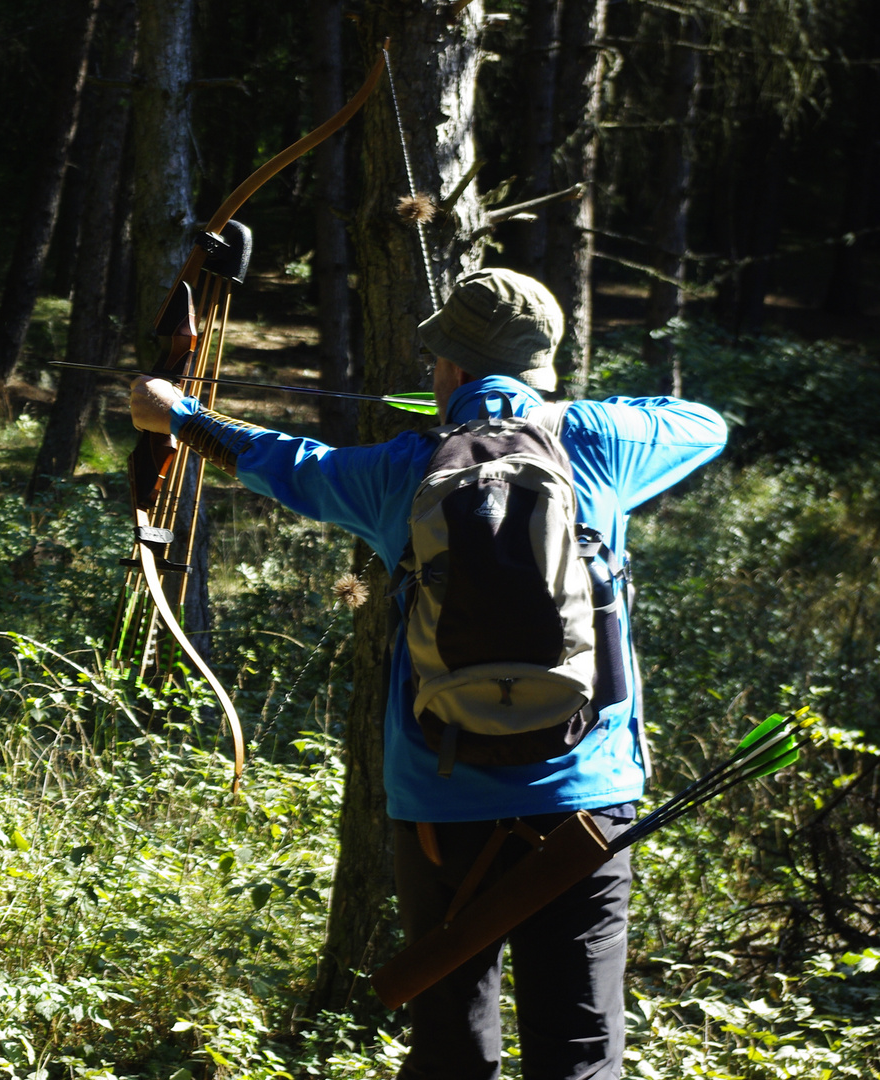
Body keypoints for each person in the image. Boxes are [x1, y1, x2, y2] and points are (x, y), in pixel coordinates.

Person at [129, 268, 728, 1080]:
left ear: (446, 369)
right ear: (541, 366)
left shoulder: (397, 469)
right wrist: (553, 412)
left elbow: (280, 458)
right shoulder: (600, 441)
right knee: (580, 1050)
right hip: (585, 802)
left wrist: (178, 417)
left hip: (438, 802)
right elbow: (702, 423)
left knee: (450, 1044)